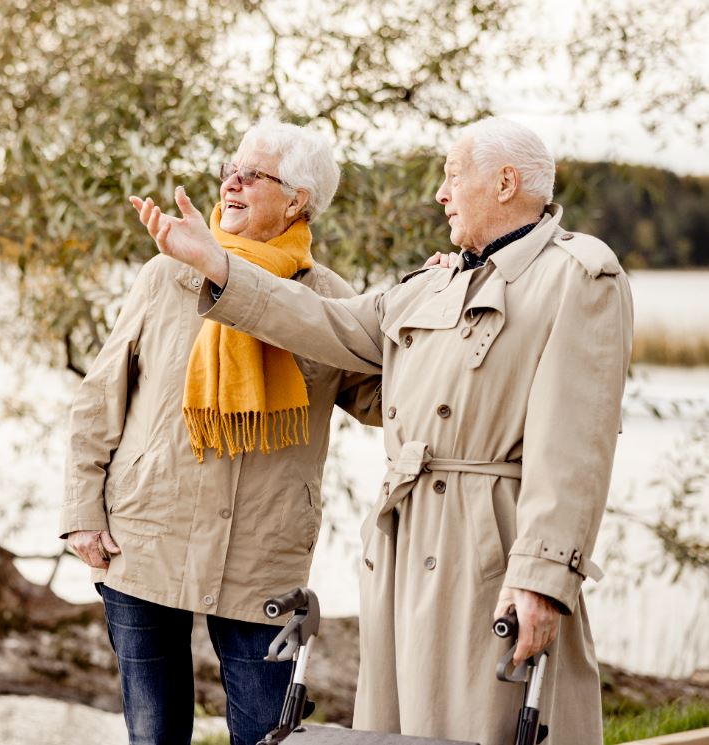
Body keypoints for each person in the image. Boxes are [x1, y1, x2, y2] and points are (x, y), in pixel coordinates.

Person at [131, 117, 633, 745]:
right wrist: (217, 265)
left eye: (453, 177)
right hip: (403, 545)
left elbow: (576, 445)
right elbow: (323, 321)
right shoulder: (436, 281)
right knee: (395, 732)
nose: (441, 195)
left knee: (485, 724)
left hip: (488, 548)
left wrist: (543, 578)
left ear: (506, 184)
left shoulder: (579, 276)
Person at [62, 119, 405, 745]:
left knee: (270, 738)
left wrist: (434, 317)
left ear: (297, 198)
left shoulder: (330, 300)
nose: (232, 183)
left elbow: (383, 401)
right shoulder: (165, 275)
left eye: (253, 174)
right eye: (230, 169)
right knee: (154, 735)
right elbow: (97, 399)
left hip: (262, 555)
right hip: (144, 537)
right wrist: (83, 511)